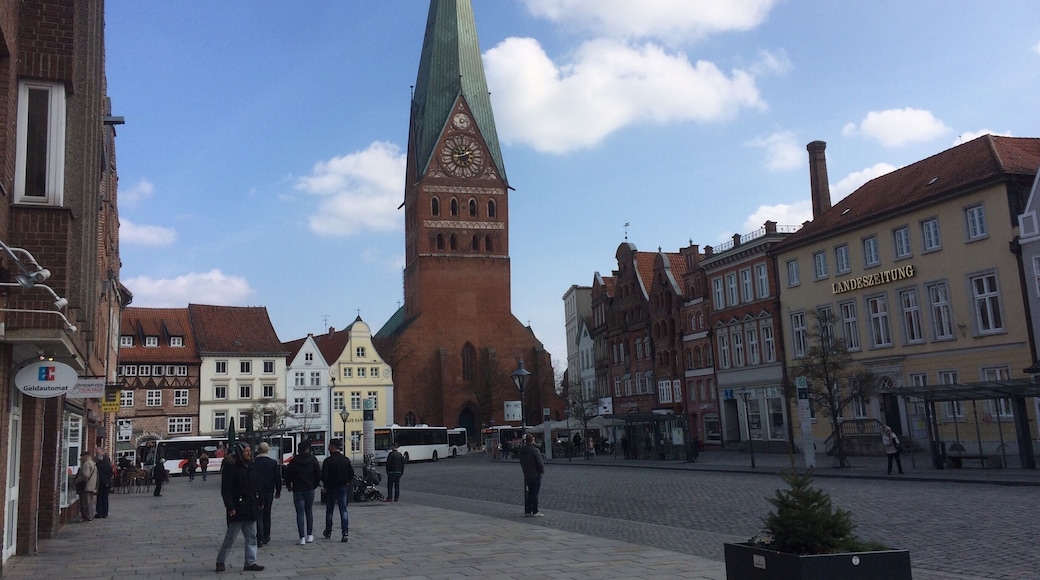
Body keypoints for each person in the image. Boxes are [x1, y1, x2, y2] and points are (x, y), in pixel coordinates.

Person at [215, 442, 264, 573]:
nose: (249, 453)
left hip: (251, 507)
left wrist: (260, 500)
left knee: (252, 537)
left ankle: (250, 562)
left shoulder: (252, 466)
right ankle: (220, 561)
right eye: (246, 451)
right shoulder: (231, 467)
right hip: (237, 507)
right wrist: (230, 506)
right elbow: (226, 489)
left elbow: (256, 484)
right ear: (240, 452)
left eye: (249, 450)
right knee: (230, 538)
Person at [283, 441, 321, 546]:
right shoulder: (313, 460)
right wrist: (315, 484)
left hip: (298, 489)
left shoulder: (294, 461)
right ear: (308, 449)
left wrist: (289, 486)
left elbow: (288, 474)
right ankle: (310, 535)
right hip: (310, 488)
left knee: (299, 513)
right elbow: (318, 473)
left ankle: (302, 537)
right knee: (309, 511)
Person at [320, 439, 354, 542]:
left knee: (330, 510)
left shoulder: (328, 461)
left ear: (333, 446)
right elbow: (351, 473)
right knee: (343, 510)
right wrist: (347, 481)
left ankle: (328, 531)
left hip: (331, 488)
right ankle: (345, 532)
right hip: (342, 487)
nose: (328, 447)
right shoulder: (345, 460)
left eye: (329, 445)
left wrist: (325, 485)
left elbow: (324, 476)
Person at [252, 442, 282, 547]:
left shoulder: (254, 463)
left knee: (258, 515)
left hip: (256, 492)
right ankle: (266, 536)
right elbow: (277, 478)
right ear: (267, 450)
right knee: (267, 514)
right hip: (269, 491)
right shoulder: (272, 463)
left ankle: (259, 537)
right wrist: (278, 491)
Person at [518, 434, 544, 517]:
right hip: (535, 474)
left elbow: (521, 461)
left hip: (527, 474)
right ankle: (535, 511)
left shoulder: (522, 451)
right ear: (532, 440)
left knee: (529, 493)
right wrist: (541, 471)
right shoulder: (535, 450)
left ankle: (528, 510)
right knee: (535, 493)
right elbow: (539, 462)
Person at [74, 451, 98, 522]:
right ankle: (90, 516)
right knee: (89, 502)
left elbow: (85, 475)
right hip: (91, 486)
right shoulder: (93, 464)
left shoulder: (86, 464)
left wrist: (78, 480)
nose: (80, 459)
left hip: (86, 486)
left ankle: (87, 517)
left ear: (85, 456)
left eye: (81, 457)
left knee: (85, 503)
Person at [94, 452, 114, 518]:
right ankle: (105, 513)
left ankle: (99, 512)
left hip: (100, 483)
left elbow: (97, 475)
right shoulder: (109, 466)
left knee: (99, 498)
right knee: (105, 498)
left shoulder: (98, 465)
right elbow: (111, 474)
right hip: (107, 483)